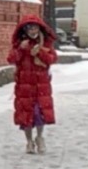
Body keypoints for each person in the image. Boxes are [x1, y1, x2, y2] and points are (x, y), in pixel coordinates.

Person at [7, 14, 57, 154]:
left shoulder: (45, 44)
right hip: (24, 86)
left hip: (41, 85)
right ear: (25, 30)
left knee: (40, 113)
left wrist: (39, 52)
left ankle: (40, 137)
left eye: (34, 28)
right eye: (29, 29)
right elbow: (11, 58)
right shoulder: (20, 44)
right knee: (26, 116)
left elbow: (52, 59)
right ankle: (29, 141)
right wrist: (21, 50)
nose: (32, 31)